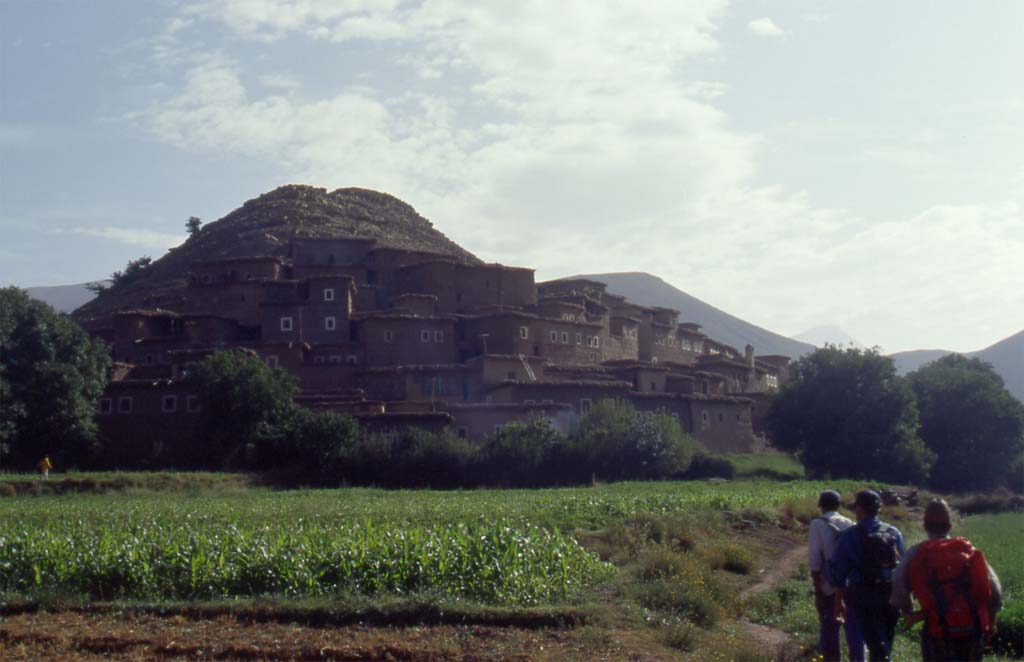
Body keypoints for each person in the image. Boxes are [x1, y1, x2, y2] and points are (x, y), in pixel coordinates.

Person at [891, 499, 1002, 661]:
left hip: (937, 631)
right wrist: (992, 622)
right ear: (950, 526)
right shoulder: (967, 550)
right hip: (972, 628)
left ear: (925, 525)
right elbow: (994, 589)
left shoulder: (916, 553)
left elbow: (898, 584)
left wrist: (909, 612)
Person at [833, 490, 906, 661]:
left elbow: (840, 572)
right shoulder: (893, 532)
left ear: (859, 510)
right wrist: (906, 598)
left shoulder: (850, 535)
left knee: (875, 645)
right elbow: (903, 566)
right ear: (878, 510)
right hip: (890, 596)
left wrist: (838, 601)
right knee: (886, 643)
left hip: (863, 595)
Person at [808, 489, 865, 661]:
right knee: (854, 631)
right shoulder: (849, 523)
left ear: (820, 506)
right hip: (851, 584)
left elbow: (815, 561)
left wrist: (818, 592)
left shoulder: (817, 524)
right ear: (838, 505)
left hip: (829, 586)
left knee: (830, 631)